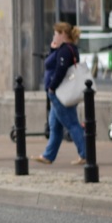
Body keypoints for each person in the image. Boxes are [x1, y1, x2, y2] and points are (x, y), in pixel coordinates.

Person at [36, 23, 88, 165]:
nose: (54, 37)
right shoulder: (63, 49)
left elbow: (60, 70)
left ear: (63, 34)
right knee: (55, 126)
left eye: (56, 34)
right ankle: (48, 156)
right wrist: (53, 49)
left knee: (71, 123)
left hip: (60, 93)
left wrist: (52, 87)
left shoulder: (65, 50)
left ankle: (85, 154)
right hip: (59, 93)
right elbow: (51, 62)